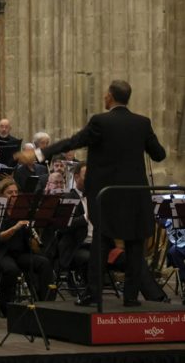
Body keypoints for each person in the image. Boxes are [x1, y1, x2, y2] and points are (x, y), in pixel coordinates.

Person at [41, 80, 166, 308]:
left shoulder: (100, 121)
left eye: (105, 95)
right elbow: (159, 155)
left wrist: (43, 153)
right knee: (135, 246)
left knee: (101, 243)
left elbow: (74, 141)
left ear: (110, 96)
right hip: (135, 194)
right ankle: (130, 297)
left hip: (107, 196)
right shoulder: (142, 123)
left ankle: (93, 294)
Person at [0, 178, 54, 317]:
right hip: (1, 253)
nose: (14, 195)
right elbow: (0, 237)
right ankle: (6, 307)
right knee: (11, 269)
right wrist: (16, 227)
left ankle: (46, 303)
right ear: (1, 195)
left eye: (16, 192)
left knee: (44, 263)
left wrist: (33, 238)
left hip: (20, 253)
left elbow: (30, 240)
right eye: (9, 192)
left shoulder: (24, 210)